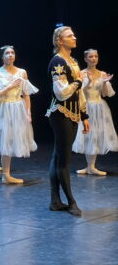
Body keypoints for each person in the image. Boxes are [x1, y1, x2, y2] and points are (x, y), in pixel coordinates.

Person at [46, 26, 90, 216]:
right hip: (60, 113)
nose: (74, 37)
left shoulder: (73, 61)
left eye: (73, 35)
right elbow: (61, 93)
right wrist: (79, 82)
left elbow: (79, 93)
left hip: (72, 113)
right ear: (59, 41)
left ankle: (55, 201)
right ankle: (72, 201)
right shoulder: (57, 61)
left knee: (58, 157)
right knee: (63, 161)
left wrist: (84, 114)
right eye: (69, 36)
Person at [0, 46, 38, 184]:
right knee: (0, 139)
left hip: (17, 108)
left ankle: (5, 174)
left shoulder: (22, 72)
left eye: (12, 53)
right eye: (7, 53)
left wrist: (28, 112)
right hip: (2, 108)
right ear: (2, 56)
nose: (10, 55)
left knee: (8, 139)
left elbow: (26, 94)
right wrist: (9, 87)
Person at [72, 49, 116, 175]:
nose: (94, 58)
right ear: (85, 59)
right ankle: (89, 167)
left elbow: (105, 94)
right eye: (90, 56)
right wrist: (90, 82)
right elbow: (78, 92)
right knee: (88, 135)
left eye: (96, 56)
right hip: (86, 107)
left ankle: (91, 167)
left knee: (96, 135)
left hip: (99, 107)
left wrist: (105, 83)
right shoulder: (81, 73)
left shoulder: (102, 74)